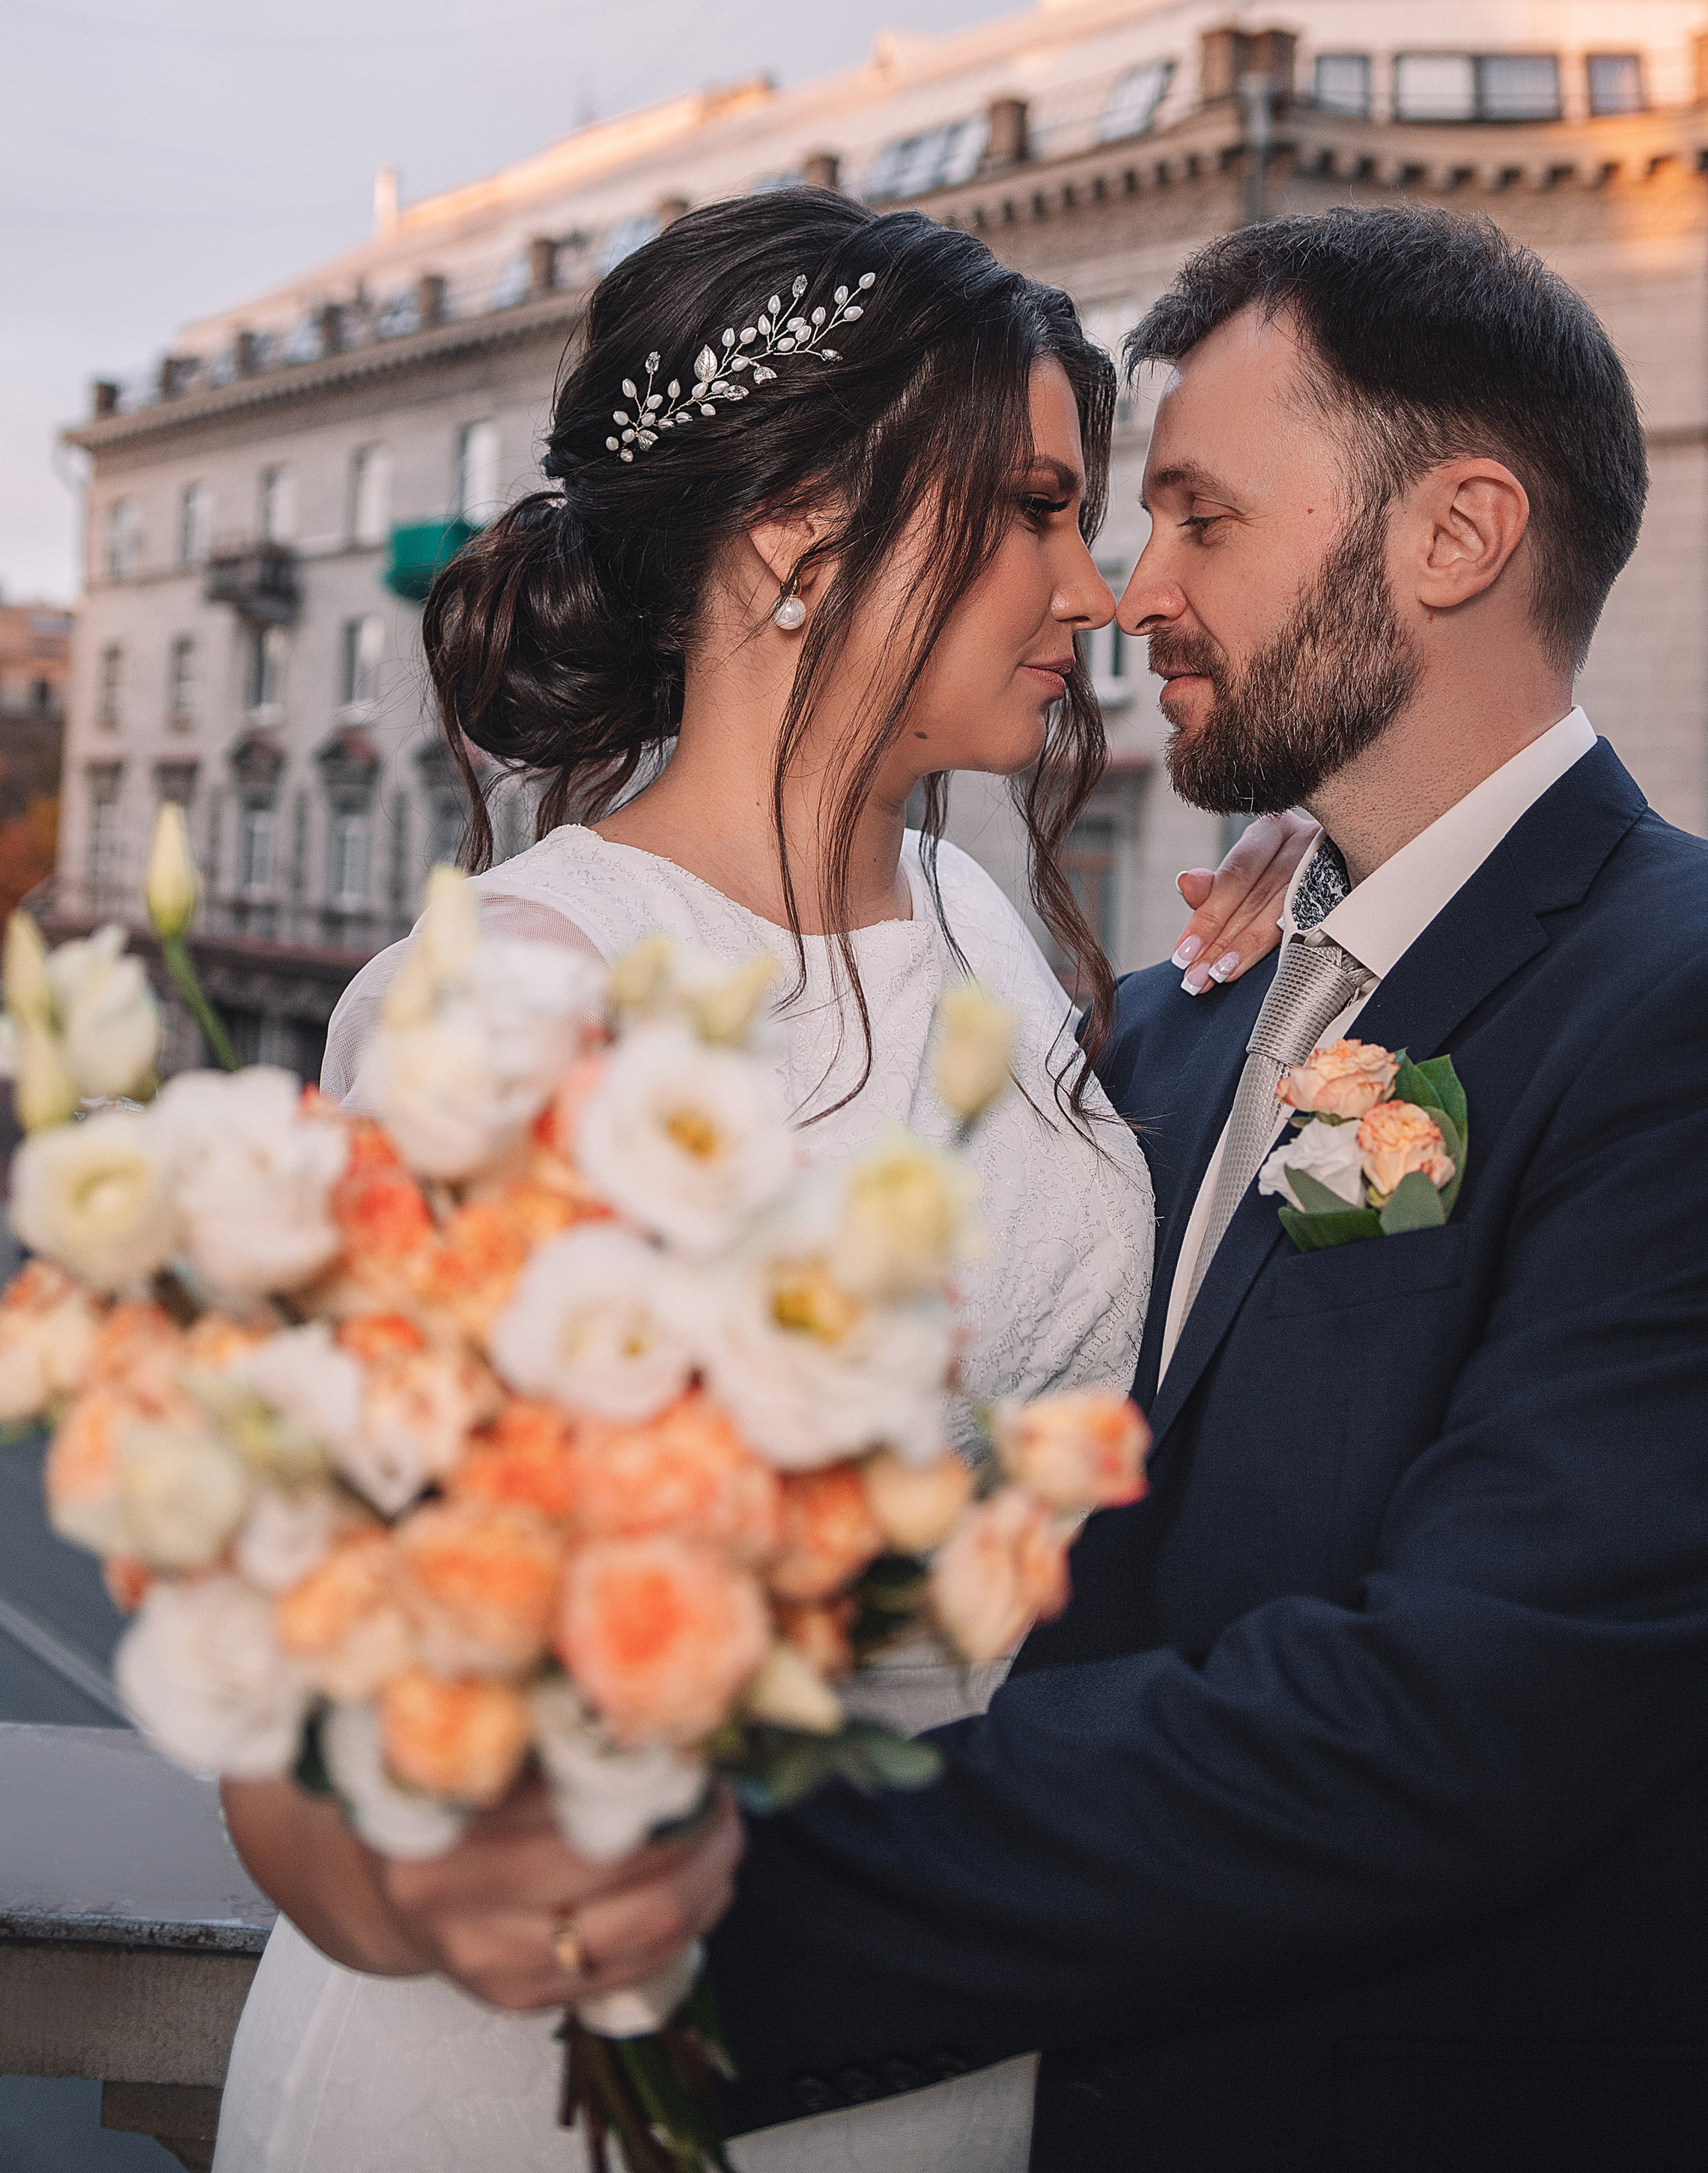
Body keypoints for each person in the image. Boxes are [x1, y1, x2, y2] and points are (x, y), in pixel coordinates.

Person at [213, 191, 1303, 2172]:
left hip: (942, 2022)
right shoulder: (525, 1003)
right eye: (1041, 510)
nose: (1104, 587)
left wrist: (1320, 911)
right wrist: (441, 1884)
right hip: (553, 2079)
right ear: (804, 543)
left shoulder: (980, 915)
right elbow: (320, 1739)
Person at [691, 204, 1708, 2168]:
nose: (1127, 593)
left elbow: (1462, 1719)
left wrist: (724, 1873)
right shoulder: (1177, 1023)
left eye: (1205, 520)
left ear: (1456, 537)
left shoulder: (1673, 1005)